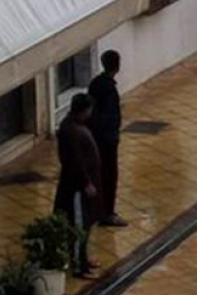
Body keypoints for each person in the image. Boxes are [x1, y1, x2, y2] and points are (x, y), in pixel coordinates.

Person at [53, 93, 101, 278]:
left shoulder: (74, 126)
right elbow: (75, 162)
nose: (90, 114)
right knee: (78, 225)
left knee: (85, 225)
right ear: (82, 110)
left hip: (81, 185)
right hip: (76, 188)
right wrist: (86, 182)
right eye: (89, 110)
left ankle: (83, 258)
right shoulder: (71, 131)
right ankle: (79, 266)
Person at [87, 50, 126, 228]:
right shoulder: (108, 88)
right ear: (117, 66)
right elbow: (108, 116)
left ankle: (97, 210)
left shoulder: (95, 83)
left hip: (97, 137)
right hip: (107, 140)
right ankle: (107, 213)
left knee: (99, 175)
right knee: (109, 175)